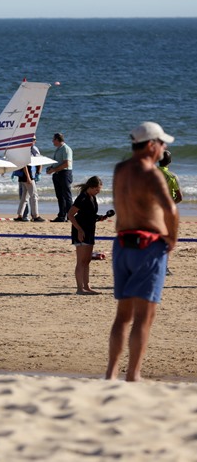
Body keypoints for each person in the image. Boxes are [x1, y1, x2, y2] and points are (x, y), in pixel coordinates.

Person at [106, 122, 178, 382]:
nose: (164, 147)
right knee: (144, 318)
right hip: (147, 247)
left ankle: (111, 372)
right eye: (161, 143)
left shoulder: (120, 169)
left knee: (122, 316)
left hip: (122, 244)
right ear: (150, 145)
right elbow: (170, 209)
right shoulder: (151, 173)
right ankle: (133, 374)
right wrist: (171, 238)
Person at [67, 176, 113, 295]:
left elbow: (89, 215)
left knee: (87, 261)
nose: (98, 192)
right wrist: (79, 230)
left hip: (90, 230)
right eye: (97, 189)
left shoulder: (92, 197)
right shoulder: (82, 197)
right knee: (81, 261)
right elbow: (70, 215)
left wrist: (101, 217)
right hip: (81, 231)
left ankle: (86, 286)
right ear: (91, 187)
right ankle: (79, 288)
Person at [46, 132, 73, 222]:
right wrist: (51, 168)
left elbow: (66, 163)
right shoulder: (58, 149)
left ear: (57, 140)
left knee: (67, 196)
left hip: (65, 174)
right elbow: (58, 162)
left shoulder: (66, 149)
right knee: (60, 196)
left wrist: (54, 169)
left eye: (53, 139)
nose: (52, 141)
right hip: (58, 174)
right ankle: (61, 216)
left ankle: (70, 216)